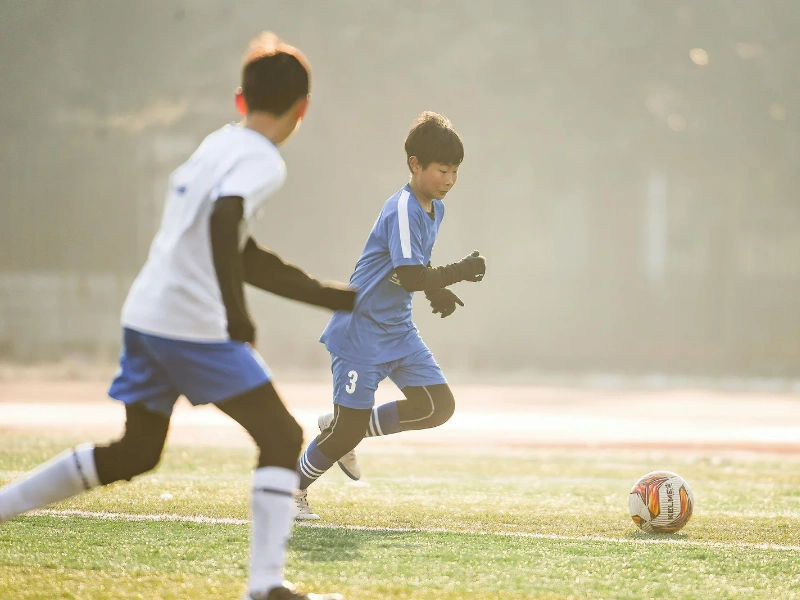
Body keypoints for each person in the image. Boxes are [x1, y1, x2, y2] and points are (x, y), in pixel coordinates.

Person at [0, 32, 349, 600]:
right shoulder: (264, 160)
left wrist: (332, 296)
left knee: (136, 452)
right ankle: (264, 588)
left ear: (241, 100)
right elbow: (226, 220)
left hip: (145, 315)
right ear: (302, 109)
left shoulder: (218, 143)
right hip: (190, 325)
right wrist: (237, 317)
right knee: (283, 437)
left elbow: (238, 246)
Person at [294, 111, 486, 520]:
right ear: (415, 165)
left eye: (455, 171)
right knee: (347, 428)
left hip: (398, 330)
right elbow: (410, 274)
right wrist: (460, 273)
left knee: (438, 407)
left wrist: (439, 291)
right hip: (360, 330)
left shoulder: (435, 208)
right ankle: (289, 491)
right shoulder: (401, 207)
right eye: (442, 169)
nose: (450, 179)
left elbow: (418, 266)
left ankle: (344, 427)